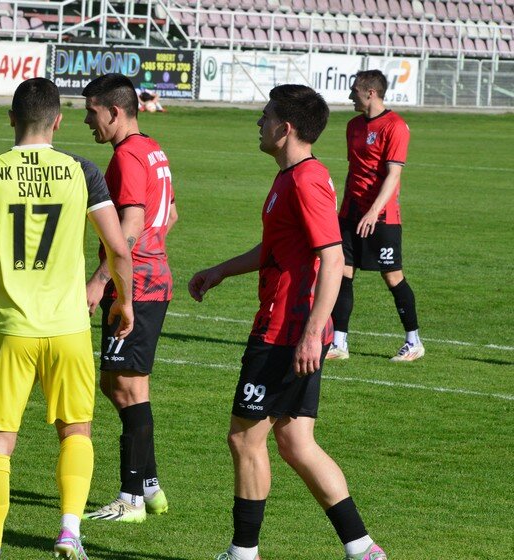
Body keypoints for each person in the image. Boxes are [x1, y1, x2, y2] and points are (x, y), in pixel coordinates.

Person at [188, 85, 387, 560]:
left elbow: (333, 258)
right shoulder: (291, 177)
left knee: (244, 438)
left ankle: (243, 553)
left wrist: (312, 333)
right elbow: (278, 247)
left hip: (285, 331)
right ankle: (363, 549)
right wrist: (221, 270)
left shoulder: (305, 180)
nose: (259, 123)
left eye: (265, 116)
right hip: (292, 329)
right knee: (296, 442)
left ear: (286, 127)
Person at [0, 77, 134, 560]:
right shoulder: (82, 170)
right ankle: (69, 529)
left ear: (11, 118)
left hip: (10, 329)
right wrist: (124, 301)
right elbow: (118, 248)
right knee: (76, 429)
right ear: (58, 121)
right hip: (69, 327)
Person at [82, 73, 177, 523]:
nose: (88, 121)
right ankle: (150, 488)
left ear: (115, 111)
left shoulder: (126, 156)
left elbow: (133, 225)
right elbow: (170, 214)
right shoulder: (153, 149)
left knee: (125, 387)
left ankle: (132, 498)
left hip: (134, 286)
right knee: (121, 384)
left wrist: (101, 279)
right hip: (150, 279)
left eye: (92, 112)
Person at [327, 69, 423, 362]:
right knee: (342, 272)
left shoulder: (395, 126)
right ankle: (339, 343)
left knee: (392, 276)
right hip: (350, 213)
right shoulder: (353, 126)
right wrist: (343, 208)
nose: (349, 96)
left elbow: (393, 175)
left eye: (354, 91)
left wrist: (373, 211)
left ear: (370, 93)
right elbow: (354, 171)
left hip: (382, 217)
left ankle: (413, 341)